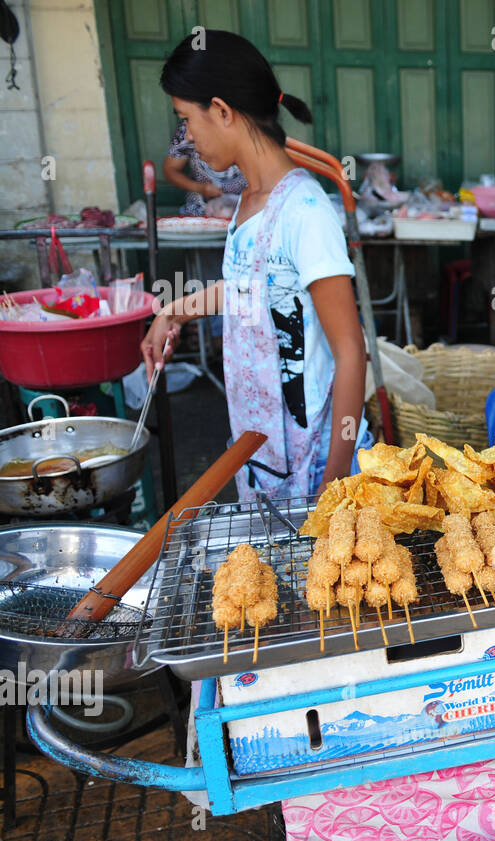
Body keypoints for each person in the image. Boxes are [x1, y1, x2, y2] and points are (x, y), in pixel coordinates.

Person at [141, 30, 369, 500]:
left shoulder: (305, 212)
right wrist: (173, 312)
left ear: (222, 111)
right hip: (262, 456)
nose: (186, 139)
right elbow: (253, 288)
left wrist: (336, 482)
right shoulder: (250, 200)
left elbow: (351, 352)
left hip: (318, 467)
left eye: (187, 120)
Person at [163, 118, 247, 217]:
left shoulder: (247, 126)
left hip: (247, 213)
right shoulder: (188, 128)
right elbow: (170, 170)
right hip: (199, 212)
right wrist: (200, 188)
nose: (189, 137)